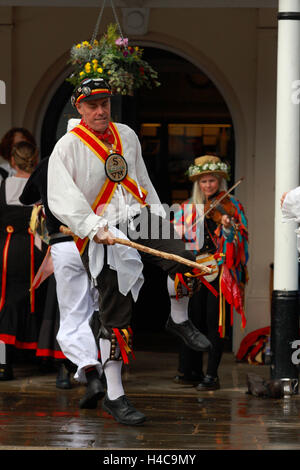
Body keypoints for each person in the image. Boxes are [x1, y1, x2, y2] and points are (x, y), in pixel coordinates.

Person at [47, 76, 211, 425]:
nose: (101, 110)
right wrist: (93, 228)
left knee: (184, 260)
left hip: (137, 216)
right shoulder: (68, 147)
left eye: (105, 103)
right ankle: (115, 396)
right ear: (79, 108)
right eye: (92, 105)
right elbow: (62, 198)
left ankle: (178, 319)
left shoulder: (127, 135)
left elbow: (142, 181)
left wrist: (159, 217)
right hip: (101, 228)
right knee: (115, 317)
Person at [20, 154, 100, 394]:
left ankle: (89, 369)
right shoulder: (99, 158)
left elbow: (26, 198)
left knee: (74, 314)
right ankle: (107, 378)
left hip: (64, 244)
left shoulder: (50, 161)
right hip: (97, 243)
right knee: (101, 310)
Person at [168, 155, 249, 390]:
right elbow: (175, 238)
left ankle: (211, 375)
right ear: (197, 184)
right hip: (194, 271)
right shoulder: (187, 207)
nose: (208, 186)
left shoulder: (231, 207)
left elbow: (241, 238)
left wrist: (226, 227)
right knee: (190, 320)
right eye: (203, 182)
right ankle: (190, 370)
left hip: (218, 272)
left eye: (212, 181)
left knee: (216, 323)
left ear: (220, 182)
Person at [0, 141, 48, 380]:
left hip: (8, 250)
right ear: (35, 158)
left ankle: (4, 363)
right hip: (35, 250)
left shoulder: (4, 185)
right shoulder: (40, 186)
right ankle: (39, 357)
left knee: (6, 301)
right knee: (35, 300)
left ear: (12, 160)